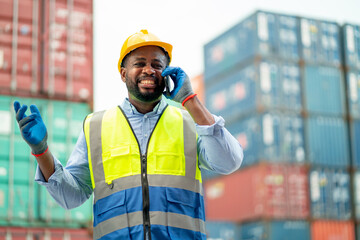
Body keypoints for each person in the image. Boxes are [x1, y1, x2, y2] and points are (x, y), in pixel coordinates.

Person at [13, 29, 243, 240]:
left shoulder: (190, 122)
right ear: (123, 74)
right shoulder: (96, 126)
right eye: (139, 63)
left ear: (168, 73)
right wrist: (41, 151)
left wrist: (190, 101)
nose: (149, 70)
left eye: (157, 64)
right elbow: (70, 197)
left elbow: (229, 162)